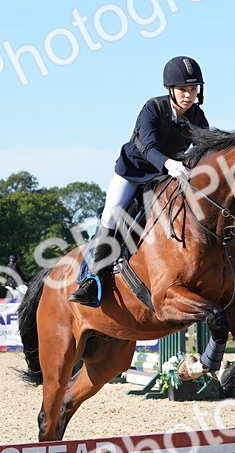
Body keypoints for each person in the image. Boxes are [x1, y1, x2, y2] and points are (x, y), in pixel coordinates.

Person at [68, 56, 209, 307]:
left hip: (166, 177)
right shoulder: (153, 108)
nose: (189, 95)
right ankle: (90, 279)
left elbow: (204, 149)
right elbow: (147, 146)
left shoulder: (198, 117)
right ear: (170, 90)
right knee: (111, 216)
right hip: (133, 171)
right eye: (183, 90)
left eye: (193, 89)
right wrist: (169, 163)